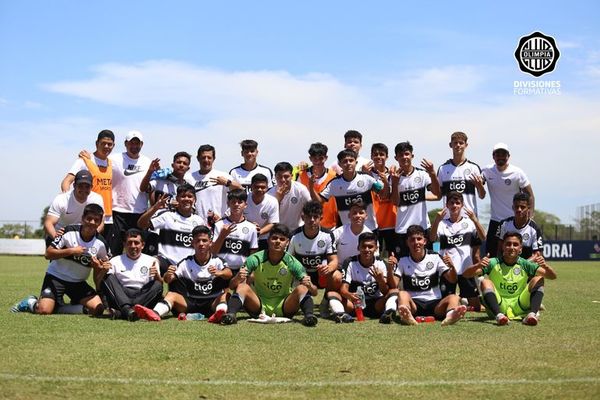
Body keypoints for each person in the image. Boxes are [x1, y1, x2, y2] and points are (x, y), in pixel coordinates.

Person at [11, 204, 109, 316]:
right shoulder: (68, 231)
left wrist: (99, 268)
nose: (92, 222)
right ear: (82, 218)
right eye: (89, 218)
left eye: (96, 220)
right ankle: (30, 303)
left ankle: (60, 307)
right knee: (44, 310)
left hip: (78, 282)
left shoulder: (101, 244)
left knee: (98, 309)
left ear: (100, 222)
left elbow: (100, 272)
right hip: (56, 277)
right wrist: (71, 251)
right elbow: (48, 254)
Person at [221, 224, 318, 326]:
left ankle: (309, 317)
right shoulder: (255, 259)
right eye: (274, 238)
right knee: (242, 286)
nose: (277, 241)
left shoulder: (292, 262)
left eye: (282, 239)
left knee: (302, 288)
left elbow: (314, 292)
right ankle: (231, 315)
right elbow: (232, 286)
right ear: (268, 240)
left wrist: (309, 285)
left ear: (287, 243)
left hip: (284, 306)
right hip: (259, 305)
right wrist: (237, 278)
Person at [134, 225, 232, 322]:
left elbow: (229, 273)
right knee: (171, 294)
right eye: (197, 241)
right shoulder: (186, 263)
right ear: (192, 243)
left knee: (226, 295)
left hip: (212, 303)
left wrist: (219, 273)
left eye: (204, 240)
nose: (201, 244)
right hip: (190, 303)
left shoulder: (217, 261)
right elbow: (168, 280)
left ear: (210, 243)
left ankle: (219, 314)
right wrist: (168, 274)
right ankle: (155, 313)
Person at [462, 232, 557, 326]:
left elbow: (552, 276)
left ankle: (532, 314)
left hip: (519, 305)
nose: (511, 247)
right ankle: (499, 316)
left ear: (520, 249)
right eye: (508, 244)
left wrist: (545, 266)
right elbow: (466, 275)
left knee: (539, 279)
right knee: (485, 282)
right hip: (499, 304)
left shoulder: (525, 264)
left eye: (515, 245)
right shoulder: (493, 262)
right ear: (503, 247)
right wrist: (477, 265)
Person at [388, 225, 467, 326]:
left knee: (454, 298)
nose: (416, 243)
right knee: (402, 294)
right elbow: (393, 285)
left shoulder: (435, 257)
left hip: (435, 304)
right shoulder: (403, 260)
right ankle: (406, 317)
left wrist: (452, 266)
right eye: (412, 240)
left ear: (424, 241)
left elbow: (452, 279)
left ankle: (450, 316)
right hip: (414, 305)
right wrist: (390, 269)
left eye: (419, 239)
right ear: (407, 242)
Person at [429, 191, 486, 310]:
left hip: (466, 269)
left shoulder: (469, 222)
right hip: (448, 270)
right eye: (452, 203)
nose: (454, 205)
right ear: (447, 205)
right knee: (446, 305)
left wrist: (475, 220)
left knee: (476, 307)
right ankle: (460, 301)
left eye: (457, 203)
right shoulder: (442, 224)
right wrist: (437, 220)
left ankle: (465, 301)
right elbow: (432, 239)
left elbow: (483, 237)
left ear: (462, 205)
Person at [137, 184, 205, 276]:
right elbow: (141, 224)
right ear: (177, 198)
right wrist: (155, 207)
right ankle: (156, 289)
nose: (186, 199)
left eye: (190, 196)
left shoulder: (198, 220)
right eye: (183, 196)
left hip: (188, 264)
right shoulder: (167, 216)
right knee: (153, 264)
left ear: (195, 199)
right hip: (166, 261)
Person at [313, 149, 387, 231]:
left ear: (356, 162)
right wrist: (310, 186)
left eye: (351, 160)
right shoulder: (334, 184)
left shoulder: (367, 178)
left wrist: (386, 183)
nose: (348, 163)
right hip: (347, 231)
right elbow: (319, 201)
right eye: (345, 161)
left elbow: (383, 195)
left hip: (370, 229)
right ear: (340, 164)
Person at [97, 228, 163, 321]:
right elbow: (100, 285)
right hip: (121, 294)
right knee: (108, 277)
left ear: (143, 245)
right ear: (124, 244)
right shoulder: (115, 260)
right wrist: (103, 271)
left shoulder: (152, 261)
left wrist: (157, 276)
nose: (133, 246)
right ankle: (128, 310)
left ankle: (123, 312)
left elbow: (160, 285)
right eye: (129, 243)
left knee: (158, 284)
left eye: (136, 243)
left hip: (141, 294)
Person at [325, 232, 391, 323]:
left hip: (376, 305)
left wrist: (380, 281)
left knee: (394, 292)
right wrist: (349, 295)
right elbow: (343, 289)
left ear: (376, 248)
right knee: (332, 294)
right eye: (363, 246)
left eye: (370, 247)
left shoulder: (381, 263)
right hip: (355, 305)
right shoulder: (350, 262)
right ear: (358, 247)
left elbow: (385, 291)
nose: (367, 249)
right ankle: (341, 315)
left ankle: (388, 315)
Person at [482, 142, 535, 255]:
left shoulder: (517, 172)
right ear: (493, 156)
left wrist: (530, 216)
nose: (500, 157)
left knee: (521, 254)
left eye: (503, 154)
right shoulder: (486, 170)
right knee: (491, 255)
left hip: (515, 220)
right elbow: (479, 186)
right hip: (496, 220)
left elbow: (530, 195)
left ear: (508, 156)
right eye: (498, 154)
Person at [389, 141, 441, 257]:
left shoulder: (422, 174)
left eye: (407, 154)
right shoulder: (393, 177)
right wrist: (395, 183)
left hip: (422, 227)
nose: (404, 157)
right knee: (403, 264)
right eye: (401, 155)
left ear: (412, 156)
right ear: (396, 157)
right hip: (402, 229)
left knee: (429, 259)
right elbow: (395, 202)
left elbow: (437, 193)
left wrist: (432, 173)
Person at [61, 130, 115, 236]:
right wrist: (66, 200)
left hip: (107, 217)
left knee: (104, 251)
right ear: (96, 143)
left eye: (109, 144)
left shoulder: (113, 163)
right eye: (103, 143)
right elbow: (66, 181)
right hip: (89, 217)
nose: (106, 146)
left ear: (113, 145)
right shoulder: (84, 160)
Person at [108, 130, 152, 256]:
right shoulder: (114, 159)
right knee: (114, 249)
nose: (134, 146)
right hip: (118, 211)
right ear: (125, 143)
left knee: (137, 251)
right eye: (131, 143)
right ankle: (111, 275)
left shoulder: (147, 162)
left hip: (139, 213)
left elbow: (151, 186)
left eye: (137, 143)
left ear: (142, 144)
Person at [288, 201, 340, 292]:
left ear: (321, 218)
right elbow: (288, 260)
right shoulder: (294, 236)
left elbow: (334, 260)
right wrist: (299, 274)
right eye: (308, 217)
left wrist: (328, 269)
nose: (312, 220)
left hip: (321, 274)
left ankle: (326, 300)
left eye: (315, 217)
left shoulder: (328, 235)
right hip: (301, 274)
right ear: (303, 218)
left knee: (337, 276)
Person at [44, 170, 104, 246]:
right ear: (74, 185)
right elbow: (48, 223)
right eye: (80, 186)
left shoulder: (97, 199)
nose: (84, 189)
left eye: (87, 186)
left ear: (91, 187)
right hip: (60, 235)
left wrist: (91, 238)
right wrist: (57, 238)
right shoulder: (61, 199)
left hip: (83, 237)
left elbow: (101, 223)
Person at [435, 131, 486, 217]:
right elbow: (438, 195)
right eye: (455, 143)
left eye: (461, 143)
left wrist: (480, 186)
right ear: (450, 145)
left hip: (469, 219)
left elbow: (482, 196)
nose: (458, 145)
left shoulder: (474, 168)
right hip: (448, 219)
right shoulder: (443, 169)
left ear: (466, 145)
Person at [186, 144, 241, 221]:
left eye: (209, 157)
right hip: (196, 222)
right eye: (203, 157)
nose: (206, 160)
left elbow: (240, 189)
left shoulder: (222, 176)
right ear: (198, 158)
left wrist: (227, 183)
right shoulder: (189, 177)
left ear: (214, 159)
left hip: (219, 222)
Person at [211, 189, 258, 274]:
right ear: (228, 204)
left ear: (245, 205)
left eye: (240, 202)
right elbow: (213, 252)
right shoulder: (219, 224)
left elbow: (253, 253)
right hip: (221, 270)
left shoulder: (251, 227)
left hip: (241, 271)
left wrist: (251, 272)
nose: (236, 205)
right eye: (233, 202)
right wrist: (222, 235)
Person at [296, 142, 338, 229]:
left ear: (326, 158)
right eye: (315, 158)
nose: (318, 161)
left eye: (321, 158)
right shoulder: (301, 175)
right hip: (307, 224)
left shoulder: (334, 176)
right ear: (310, 158)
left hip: (329, 224)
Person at [496, 192, 543, 259]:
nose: (519, 209)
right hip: (507, 265)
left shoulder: (534, 228)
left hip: (526, 266)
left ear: (528, 208)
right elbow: (499, 249)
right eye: (516, 206)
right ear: (513, 207)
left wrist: (523, 265)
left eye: (522, 207)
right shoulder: (504, 224)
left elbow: (538, 254)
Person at [268, 161, 311, 231]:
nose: (283, 180)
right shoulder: (270, 194)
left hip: (297, 230)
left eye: (286, 176)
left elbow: (310, 208)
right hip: (278, 231)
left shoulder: (301, 189)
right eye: (279, 177)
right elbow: (269, 216)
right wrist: (278, 199)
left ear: (292, 176)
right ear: (275, 177)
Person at [370, 143, 397, 254]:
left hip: (393, 223)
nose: (378, 157)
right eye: (375, 154)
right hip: (374, 224)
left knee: (393, 257)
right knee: (376, 258)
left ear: (387, 157)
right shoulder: (366, 175)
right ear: (371, 156)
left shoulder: (393, 173)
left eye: (382, 154)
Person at [243, 173, 279, 250]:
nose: (259, 190)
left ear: (267, 187)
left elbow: (273, 223)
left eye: (263, 187)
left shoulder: (272, 201)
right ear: (251, 187)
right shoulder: (243, 198)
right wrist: (250, 228)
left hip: (264, 238)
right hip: (245, 235)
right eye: (256, 187)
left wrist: (259, 232)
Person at [333, 201, 373, 269]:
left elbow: (374, 257)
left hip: (361, 269)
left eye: (361, 213)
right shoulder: (338, 232)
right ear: (349, 215)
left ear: (366, 216)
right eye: (354, 213)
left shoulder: (370, 235)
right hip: (340, 269)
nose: (358, 216)